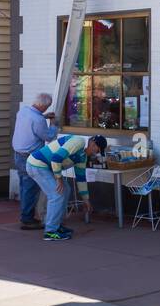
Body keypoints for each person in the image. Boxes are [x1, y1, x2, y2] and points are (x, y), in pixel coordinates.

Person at [24, 134, 106, 241]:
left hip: (48, 168)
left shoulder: (82, 156)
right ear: (93, 144)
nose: (96, 154)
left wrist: (86, 199)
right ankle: (50, 231)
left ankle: (57, 225)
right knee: (57, 194)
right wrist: (58, 178)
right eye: (97, 150)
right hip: (37, 164)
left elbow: (81, 178)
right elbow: (56, 158)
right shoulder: (79, 141)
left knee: (66, 190)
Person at [11, 93, 59, 230]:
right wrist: (54, 125)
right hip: (30, 156)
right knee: (30, 188)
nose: (46, 109)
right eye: (47, 107)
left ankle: (26, 215)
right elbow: (49, 136)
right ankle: (27, 218)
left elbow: (32, 119)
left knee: (24, 186)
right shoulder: (39, 120)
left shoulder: (23, 111)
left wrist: (44, 117)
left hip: (18, 153)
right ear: (43, 105)